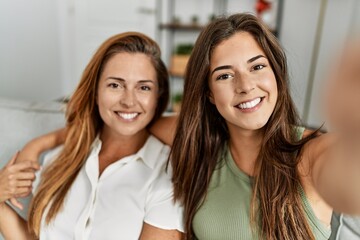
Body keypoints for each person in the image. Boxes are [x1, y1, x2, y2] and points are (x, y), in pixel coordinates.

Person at [6, 13, 360, 240]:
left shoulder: (310, 154)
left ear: (276, 74)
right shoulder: (195, 140)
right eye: (225, 75)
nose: (246, 85)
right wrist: (41, 144)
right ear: (207, 92)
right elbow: (123, 120)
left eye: (257, 67)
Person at [0, 32, 184, 240]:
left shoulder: (169, 173)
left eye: (144, 87)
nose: (129, 101)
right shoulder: (61, 156)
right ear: (95, 91)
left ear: (157, 97)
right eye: (115, 85)